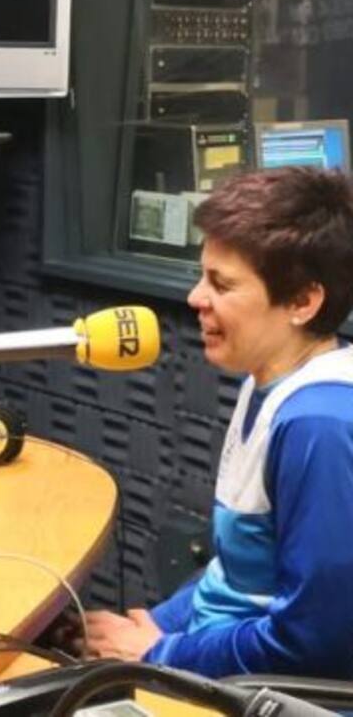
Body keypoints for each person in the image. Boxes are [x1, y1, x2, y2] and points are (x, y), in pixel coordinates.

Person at [81, 166, 353, 679]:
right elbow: (239, 577)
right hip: (217, 668)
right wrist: (158, 625)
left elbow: (315, 642)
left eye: (221, 284)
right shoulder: (265, 380)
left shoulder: (318, 425)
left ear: (302, 301)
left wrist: (160, 654)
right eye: (202, 275)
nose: (195, 298)